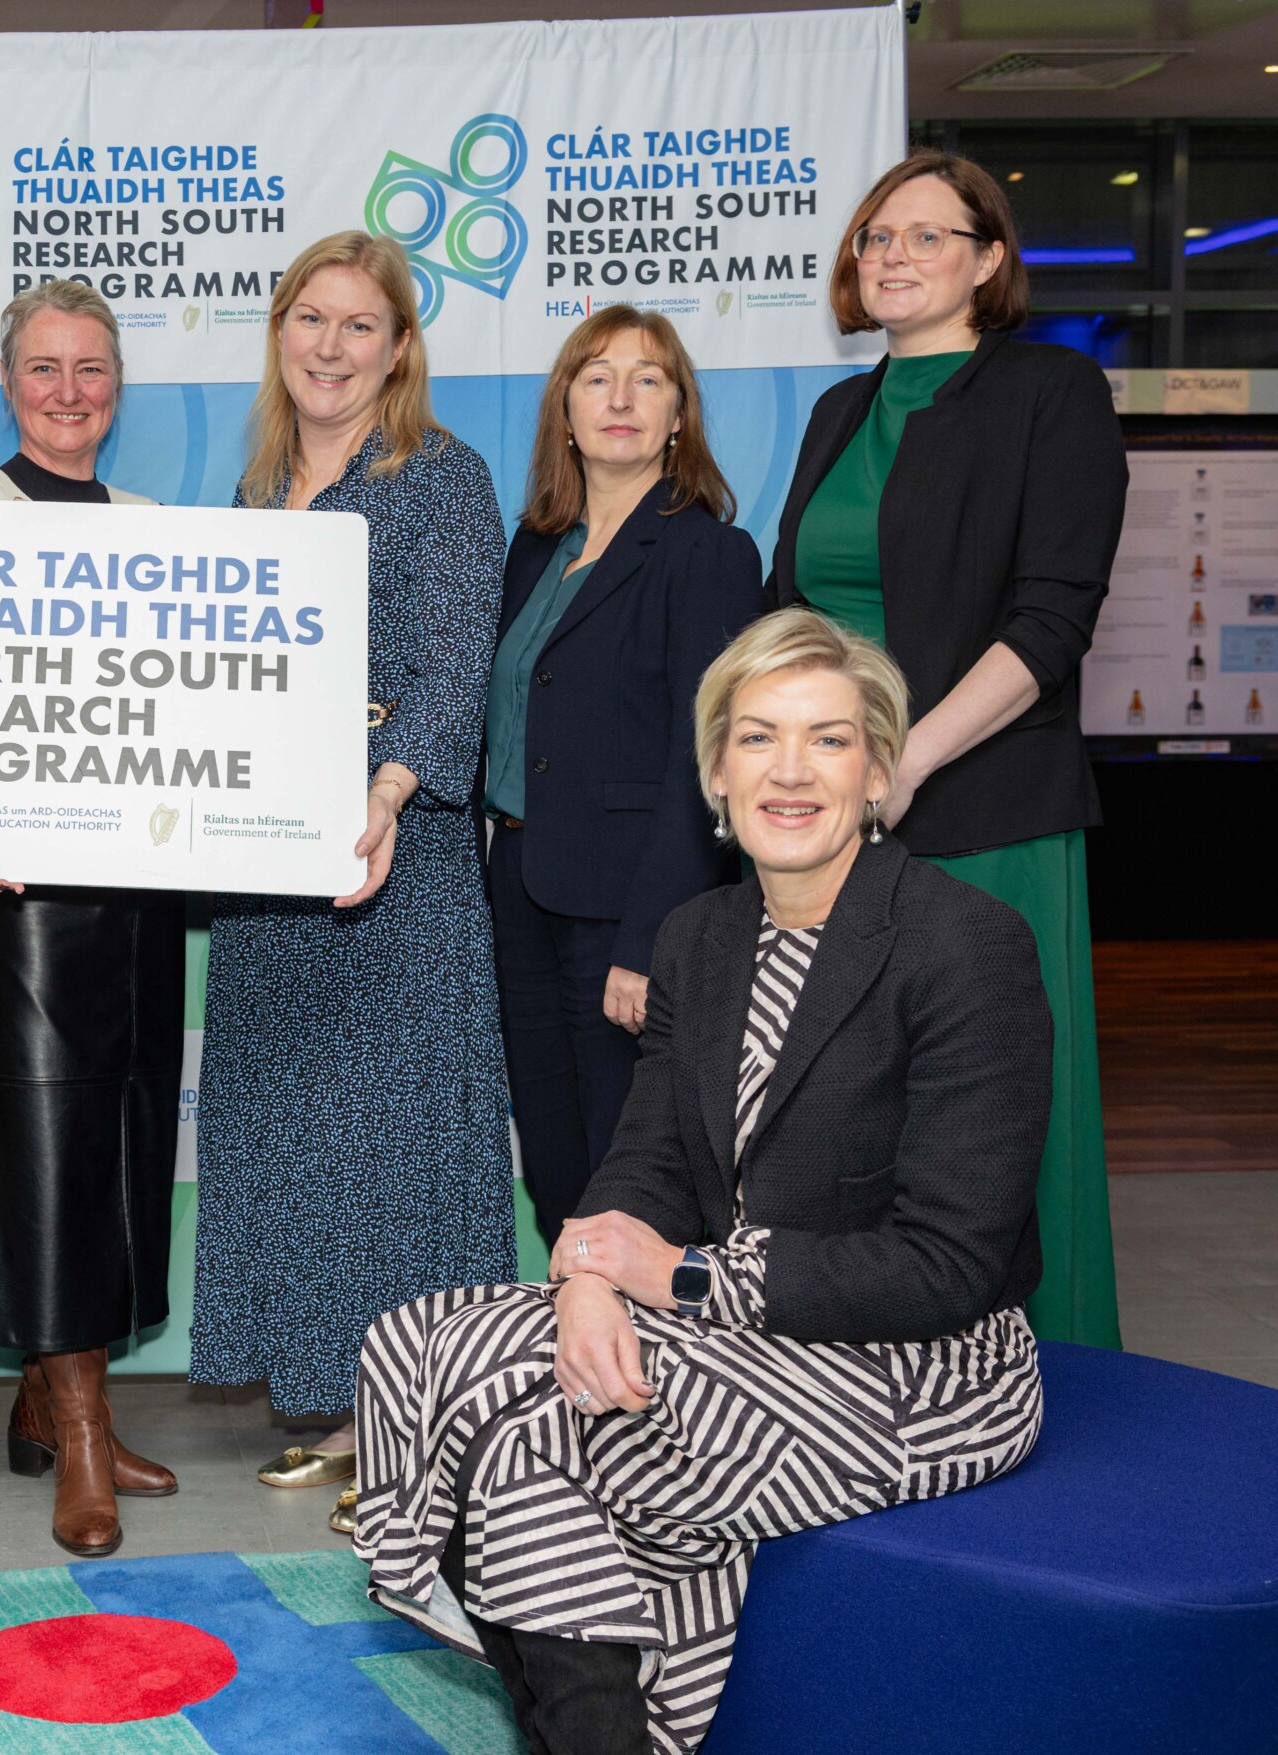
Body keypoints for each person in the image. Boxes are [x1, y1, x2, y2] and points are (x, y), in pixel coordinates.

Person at [352, 609, 1049, 1755]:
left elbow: (949, 1264)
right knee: (411, 1339)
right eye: (757, 738)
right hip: (738, 1328)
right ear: (714, 773)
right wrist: (585, 1276)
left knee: (536, 1443)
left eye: (827, 741)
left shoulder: (962, 945)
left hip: (920, 1367)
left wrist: (672, 1280)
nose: (789, 771)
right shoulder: (700, 937)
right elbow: (652, 1159)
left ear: (878, 768)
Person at [188, 231, 514, 1535]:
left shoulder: (442, 477)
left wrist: (383, 791)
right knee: (296, 1139)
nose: (329, 346)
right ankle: (336, 1404)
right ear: (280, 333)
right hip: (272, 873)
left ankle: (416, 1424)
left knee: (397, 1146)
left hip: (395, 860)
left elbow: (453, 663)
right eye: (309, 320)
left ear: (399, 348)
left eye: (358, 326)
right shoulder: (257, 484)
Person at [770, 149, 1124, 1347]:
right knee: (854, 1112)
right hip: (830, 817)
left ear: (987, 261)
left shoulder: (1048, 392)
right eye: (877, 237)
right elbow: (794, 611)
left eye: (928, 236)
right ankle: (879, 1373)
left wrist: (905, 758)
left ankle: (1051, 1361)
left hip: (983, 814)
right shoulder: (840, 409)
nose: (895, 257)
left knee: (994, 1113)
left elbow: (1051, 619)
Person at [0, 280, 182, 1558]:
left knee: (124, 1147)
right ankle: (77, 1432)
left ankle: (57, 1393)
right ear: (8, 382)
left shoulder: (157, 529)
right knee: (44, 1151)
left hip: (135, 895)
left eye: (92, 369)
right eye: (45, 368)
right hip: (13, 901)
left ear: (117, 386)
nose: (69, 391)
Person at [486, 306, 764, 1246]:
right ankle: (584, 1363)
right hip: (520, 892)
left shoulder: (710, 553)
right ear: (564, 409)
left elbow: (708, 762)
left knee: (628, 1164)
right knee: (557, 1161)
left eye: (649, 379)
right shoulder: (535, 547)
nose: (622, 397)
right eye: (597, 375)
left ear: (679, 413)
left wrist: (649, 942)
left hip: (625, 914)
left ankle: (652, 1382)